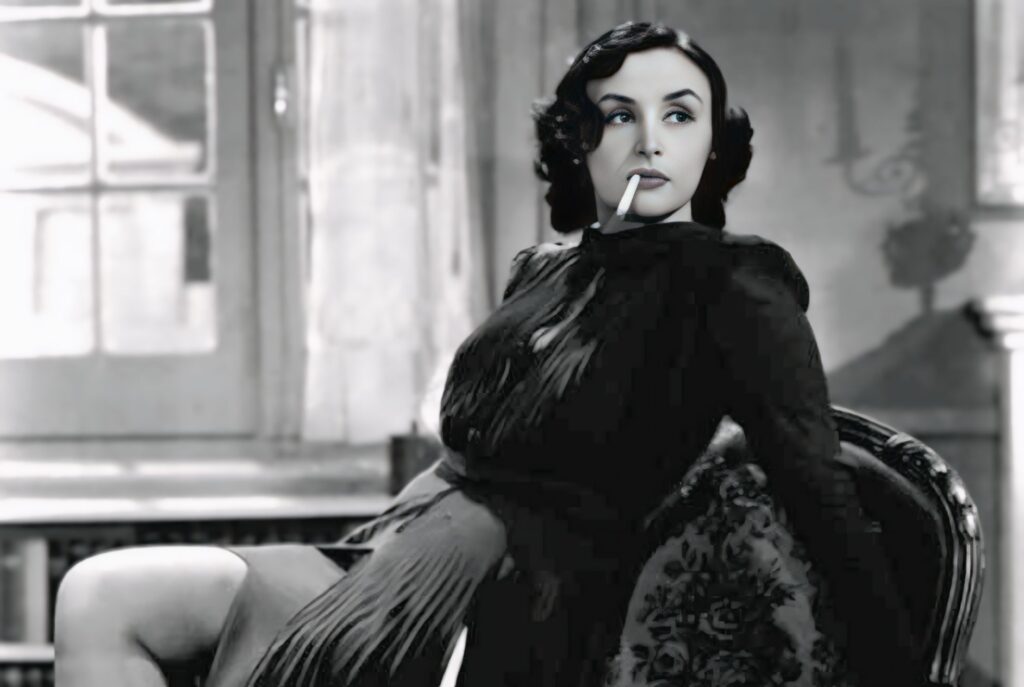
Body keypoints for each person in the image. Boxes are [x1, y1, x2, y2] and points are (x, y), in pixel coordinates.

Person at [54, 21, 926, 687]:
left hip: (514, 608)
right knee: (99, 593)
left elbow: (816, 483)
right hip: (395, 554)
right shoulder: (542, 271)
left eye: (679, 114)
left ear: (712, 141)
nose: (650, 140)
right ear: (578, 140)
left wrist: (904, 672)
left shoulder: (736, 282)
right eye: (618, 115)